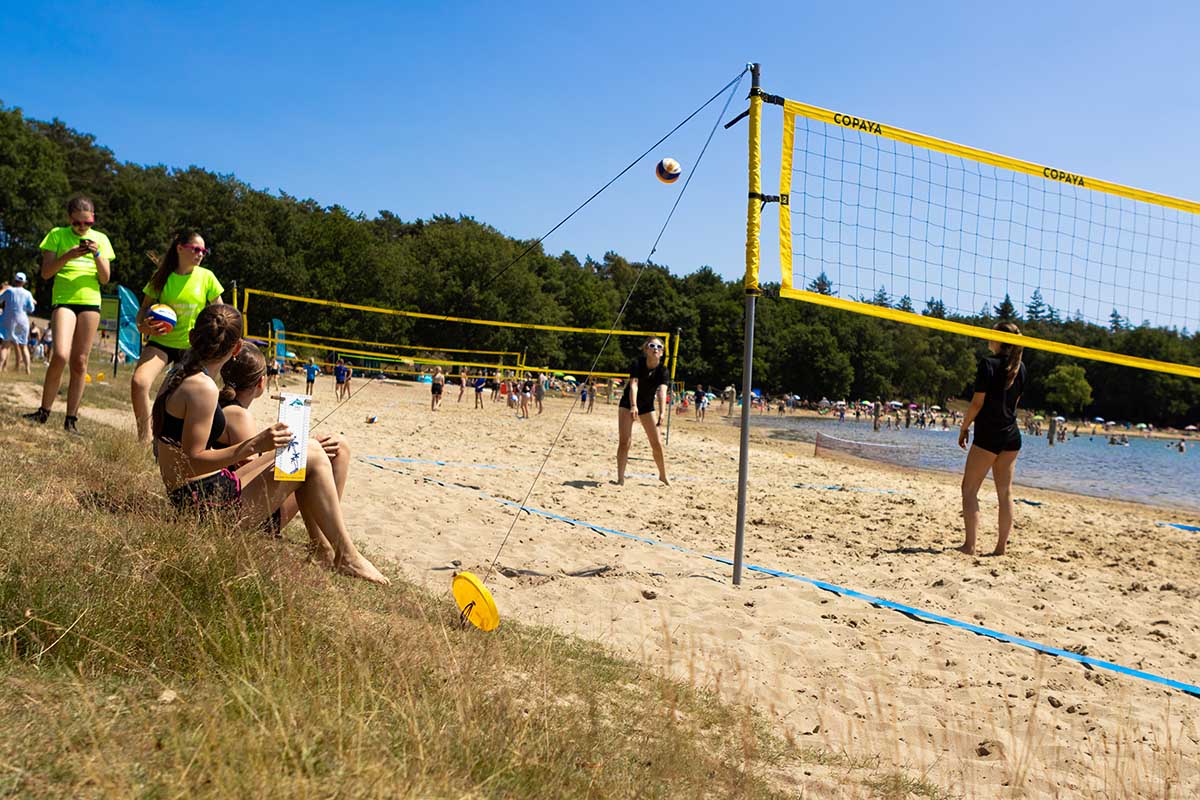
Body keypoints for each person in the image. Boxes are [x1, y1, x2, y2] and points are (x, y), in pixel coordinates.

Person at [152, 305, 387, 585]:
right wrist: (252, 445)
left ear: (191, 336)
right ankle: (344, 555)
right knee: (310, 454)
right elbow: (193, 459)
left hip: (198, 491)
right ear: (237, 347)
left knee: (307, 446)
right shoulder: (201, 387)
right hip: (202, 505)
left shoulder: (181, 372)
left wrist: (265, 446)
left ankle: (325, 548)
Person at [218, 342, 354, 558]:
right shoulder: (239, 416)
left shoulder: (224, 407)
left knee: (325, 447)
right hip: (256, 513)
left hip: (239, 501)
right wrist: (299, 447)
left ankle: (322, 543)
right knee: (338, 449)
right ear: (261, 382)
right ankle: (323, 544)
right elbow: (250, 470)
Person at [24, 196, 115, 434]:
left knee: (80, 361)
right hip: (64, 300)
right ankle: (44, 411)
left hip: (90, 302)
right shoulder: (57, 235)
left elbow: (105, 279)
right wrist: (69, 255)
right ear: (69, 219)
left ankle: (71, 419)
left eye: (88, 223)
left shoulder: (102, 239)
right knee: (61, 354)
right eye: (77, 223)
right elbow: (46, 273)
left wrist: (96, 255)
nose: (83, 228)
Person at [130, 230, 223, 444]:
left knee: (168, 398)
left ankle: (166, 444)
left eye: (204, 250)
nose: (201, 254)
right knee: (139, 382)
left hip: (192, 347)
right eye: (196, 249)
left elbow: (220, 312)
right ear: (180, 248)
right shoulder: (162, 277)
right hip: (161, 341)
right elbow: (143, 310)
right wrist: (145, 326)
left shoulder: (206, 277)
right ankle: (144, 440)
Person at [957, 321, 1025, 557]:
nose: (987, 336)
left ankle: (970, 546)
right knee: (1005, 492)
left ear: (998, 339)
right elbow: (1013, 405)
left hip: (989, 435)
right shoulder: (1020, 368)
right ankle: (1000, 548)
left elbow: (977, 403)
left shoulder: (988, 364)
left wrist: (964, 428)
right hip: (1011, 435)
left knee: (969, 489)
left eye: (991, 333)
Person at [616, 338, 670, 486]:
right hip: (628, 403)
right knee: (625, 441)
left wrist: (662, 412)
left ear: (662, 352)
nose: (655, 349)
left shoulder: (663, 370)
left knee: (657, 443)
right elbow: (634, 385)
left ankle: (663, 475)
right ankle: (620, 478)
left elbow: (662, 392)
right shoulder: (638, 363)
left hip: (647, 405)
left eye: (659, 347)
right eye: (652, 346)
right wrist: (633, 405)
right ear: (646, 349)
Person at [0, 272, 37, 374]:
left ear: (14, 280)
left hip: (8, 319)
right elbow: (31, 309)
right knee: (23, 345)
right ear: (24, 282)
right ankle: (27, 369)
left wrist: (4, 289)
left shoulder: (9, 291)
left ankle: (0, 367)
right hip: (21, 320)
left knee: (5, 345)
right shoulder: (27, 293)